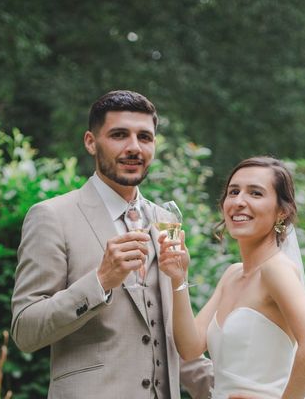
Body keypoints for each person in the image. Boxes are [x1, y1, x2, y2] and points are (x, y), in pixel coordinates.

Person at [11, 90, 213, 398]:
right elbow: (25, 332)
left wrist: (223, 388)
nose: (134, 147)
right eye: (119, 135)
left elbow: (167, 335)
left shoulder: (165, 220)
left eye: (145, 137)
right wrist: (100, 281)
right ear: (91, 142)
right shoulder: (52, 217)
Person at [159, 156, 305, 399]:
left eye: (256, 193)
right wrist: (178, 277)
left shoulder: (276, 270)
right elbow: (190, 347)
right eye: (233, 191)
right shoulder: (232, 274)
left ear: (281, 212)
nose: (239, 201)